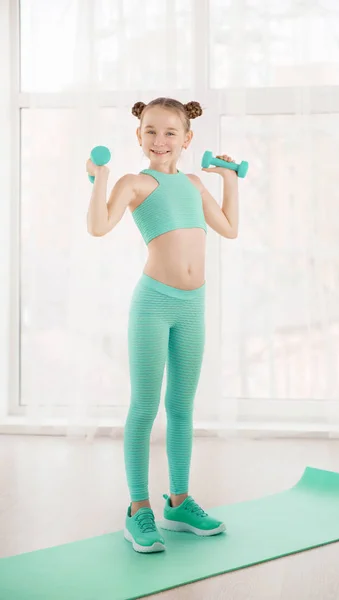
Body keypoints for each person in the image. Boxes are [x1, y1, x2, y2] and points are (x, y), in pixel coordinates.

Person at [86, 97, 239, 554]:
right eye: (150, 131)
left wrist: (229, 178)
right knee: (145, 406)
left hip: (193, 307)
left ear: (187, 139)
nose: (160, 141)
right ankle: (138, 510)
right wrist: (100, 179)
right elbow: (98, 226)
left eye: (171, 133)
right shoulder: (136, 182)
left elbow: (229, 227)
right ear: (138, 136)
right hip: (153, 304)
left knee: (182, 407)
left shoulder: (193, 183)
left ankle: (178, 501)